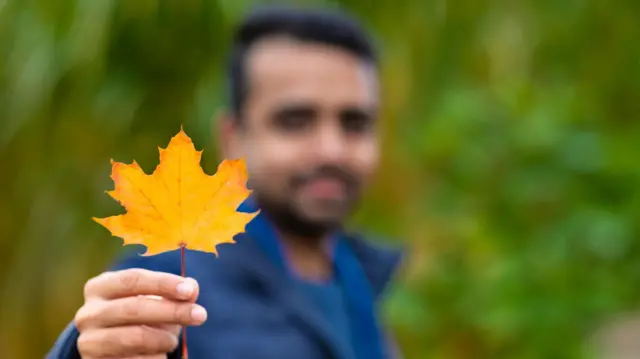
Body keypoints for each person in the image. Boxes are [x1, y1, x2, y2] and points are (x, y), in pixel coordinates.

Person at [47, 5, 404, 359]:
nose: (331, 150)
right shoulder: (172, 282)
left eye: (354, 123)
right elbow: (112, 343)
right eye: (295, 121)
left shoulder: (375, 280)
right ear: (233, 139)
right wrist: (80, 351)